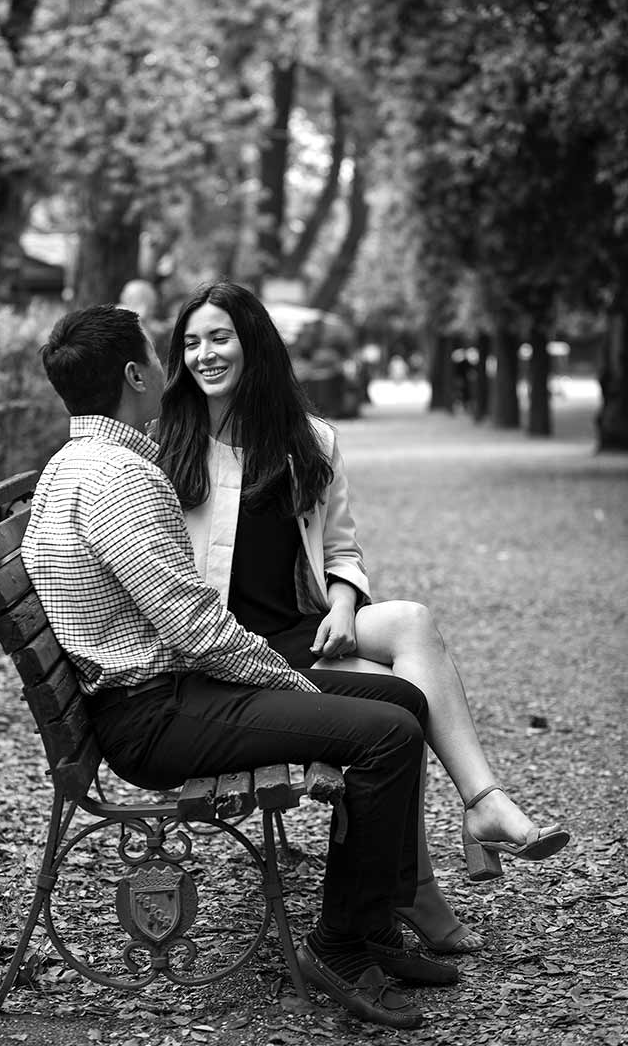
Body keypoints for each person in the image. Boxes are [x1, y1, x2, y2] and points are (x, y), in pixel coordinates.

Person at [21, 304, 460, 1031]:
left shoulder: (80, 464)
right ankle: (341, 947)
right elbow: (194, 626)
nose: (174, 365)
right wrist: (289, 680)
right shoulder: (119, 481)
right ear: (135, 375)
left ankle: (376, 927)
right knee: (386, 734)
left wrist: (290, 677)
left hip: (168, 692)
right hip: (156, 715)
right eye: (160, 355)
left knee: (404, 704)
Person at [155, 282, 570, 954]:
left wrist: (345, 601)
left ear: (253, 343)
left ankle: (481, 801)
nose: (204, 355)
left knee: (412, 624)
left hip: (299, 633)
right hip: (229, 657)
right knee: (396, 714)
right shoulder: (168, 447)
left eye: (219, 337)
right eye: (192, 343)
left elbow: (342, 547)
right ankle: (425, 883)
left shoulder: (309, 440)